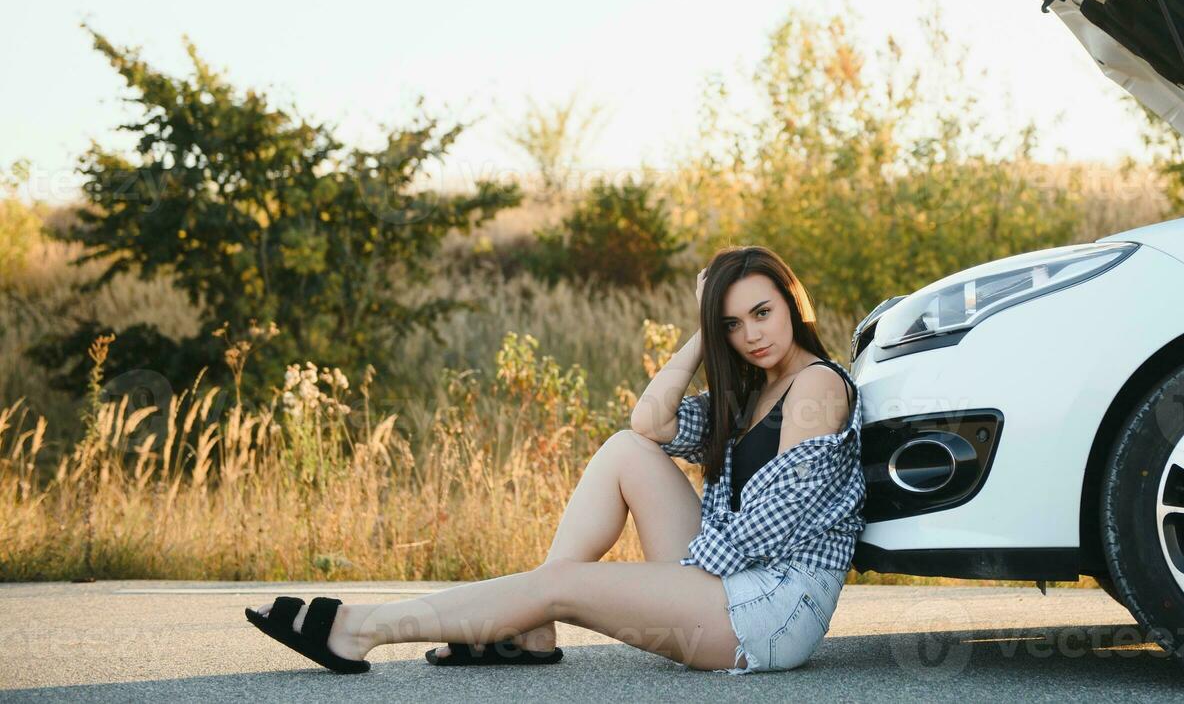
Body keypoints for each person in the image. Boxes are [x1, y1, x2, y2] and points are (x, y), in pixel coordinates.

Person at [245, 244, 865, 674]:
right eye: (734, 324)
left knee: (563, 585)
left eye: (763, 313)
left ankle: (361, 628)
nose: (752, 334)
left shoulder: (817, 385)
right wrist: (703, 331)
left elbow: (771, 527)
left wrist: (664, 579)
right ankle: (530, 628)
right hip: (727, 577)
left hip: (771, 612)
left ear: (792, 304)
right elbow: (649, 424)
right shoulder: (754, 388)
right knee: (627, 451)